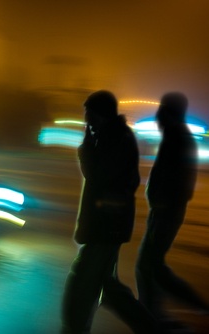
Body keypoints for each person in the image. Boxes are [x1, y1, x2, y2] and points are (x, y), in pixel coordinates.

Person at [61, 90, 158, 334]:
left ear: (99, 114)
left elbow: (98, 175)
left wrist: (85, 149)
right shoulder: (111, 136)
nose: (86, 119)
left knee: (82, 282)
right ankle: (150, 328)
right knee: (107, 287)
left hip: (106, 227)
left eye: (88, 113)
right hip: (106, 225)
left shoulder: (115, 139)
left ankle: (73, 329)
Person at [135, 92, 209, 323]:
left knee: (149, 264)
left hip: (166, 212)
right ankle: (152, 311)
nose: (157, 116)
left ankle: (157, 312)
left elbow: (181, 180)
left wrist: (163, 203)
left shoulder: (178, 138)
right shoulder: (175, 136)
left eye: (161, 110)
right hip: (164, 210)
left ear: (168, 112)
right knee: (150, 264)